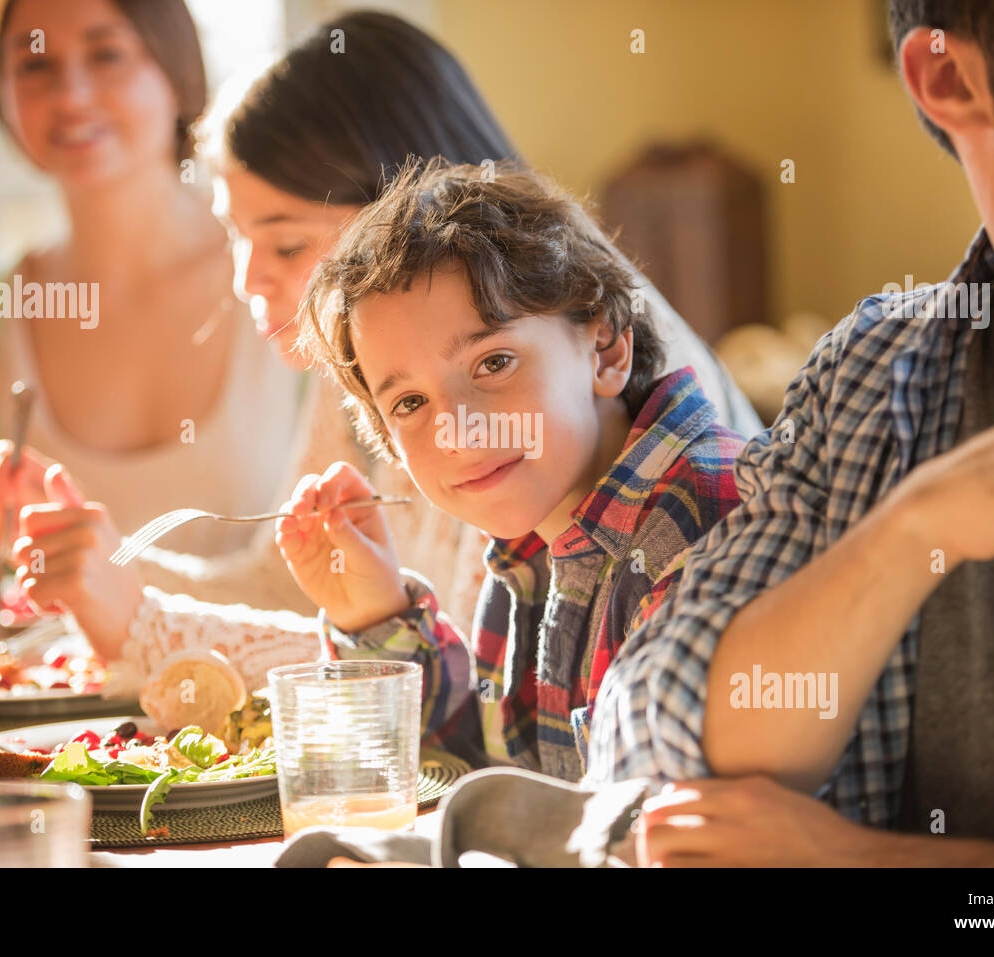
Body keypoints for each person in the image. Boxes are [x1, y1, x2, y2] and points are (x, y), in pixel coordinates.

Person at [8, 11, 762, 699]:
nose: (244, 280)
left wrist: (141, 623)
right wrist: (104, 570)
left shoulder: (539, 393)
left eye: (286, 242)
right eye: (235, 235)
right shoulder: (396, 366)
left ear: (411, 215)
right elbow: (294, 585)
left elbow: (472, 688)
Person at [586, 0, 994, 865]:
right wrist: (915, 527)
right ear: (952, 76)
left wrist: (865, 859)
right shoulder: (872, 369)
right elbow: (649, 749)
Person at [268, 158, 744, 777]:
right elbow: (500, 770)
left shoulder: (699, 528)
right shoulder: (534, 534)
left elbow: (638, 825)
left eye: (493, 364)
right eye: (409, 403)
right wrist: (375, 613)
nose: (458, 431)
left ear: (606, 348)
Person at [0, 0, 302, 587]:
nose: (71, 95)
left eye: (107, 55)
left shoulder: (290, 276)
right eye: (35, 65)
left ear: (177, 72)